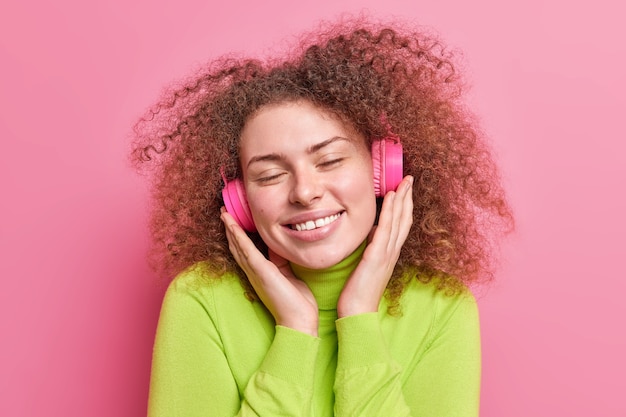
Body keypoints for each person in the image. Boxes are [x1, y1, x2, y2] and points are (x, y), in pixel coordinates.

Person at [132, 17, 513, 417]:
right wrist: (295, 332)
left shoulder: (441, 307)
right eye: (271, 174)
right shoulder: (201, 300)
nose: (304, 191)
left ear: (382, 170)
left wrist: (360, 319)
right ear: (240, 200)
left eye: (329, 160)